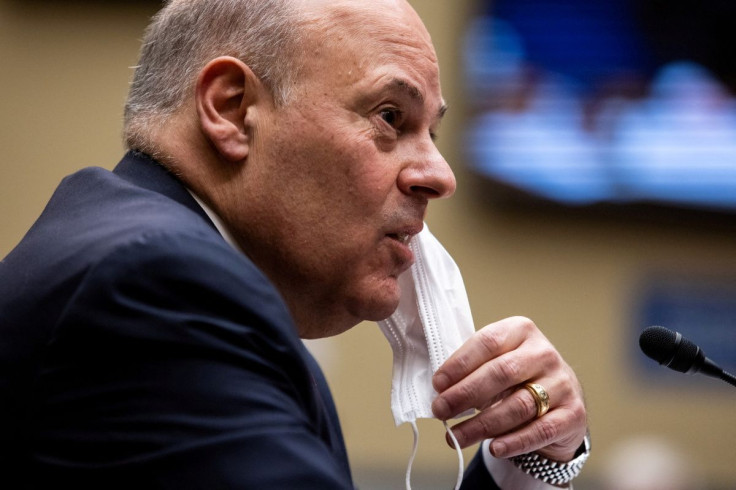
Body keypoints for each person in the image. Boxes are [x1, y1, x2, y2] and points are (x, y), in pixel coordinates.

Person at [0, 0, 589, 488]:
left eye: (430, 132)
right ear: (232, 109)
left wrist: (526, 461)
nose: (441, 175)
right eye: (390, 116)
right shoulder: (156, 287)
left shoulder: (137, 253)